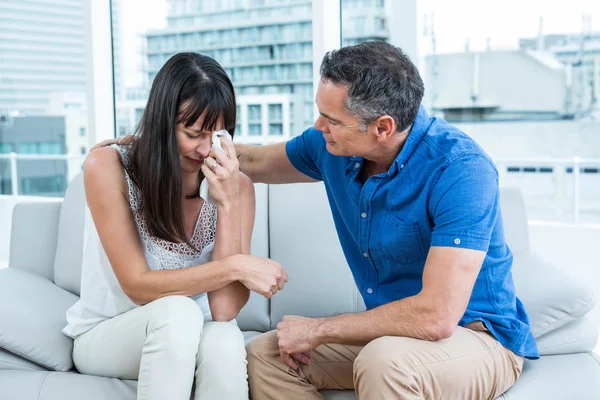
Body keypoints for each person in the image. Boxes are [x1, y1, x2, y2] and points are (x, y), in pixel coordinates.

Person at [95, 42, 538, 399]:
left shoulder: (460, 169)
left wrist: (321, 329)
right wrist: (156, 138)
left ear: (382, 127)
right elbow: (249, 159)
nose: (317, 126)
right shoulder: (334, 148)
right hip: (391, 335)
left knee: (384, 361)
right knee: (266, 355)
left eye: (330, 119)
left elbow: (437, 317)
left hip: (474, 338)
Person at [63, 52, 287, 400]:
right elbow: (137, 286)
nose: (205, 149)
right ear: (162, 123)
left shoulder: (236, 184)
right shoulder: (108, 166)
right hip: (108, 335)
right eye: (193, 133)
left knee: (226, 339)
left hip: (189, 331)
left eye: (216, 134)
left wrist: (227, 202)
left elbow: (224, 310)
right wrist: (238, 265)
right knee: (178, 313)